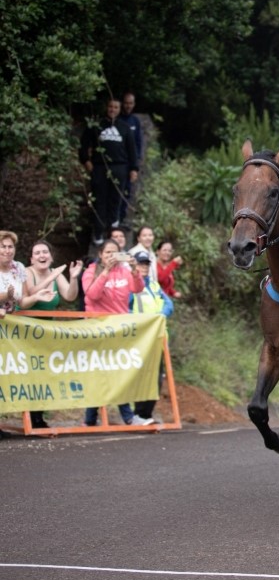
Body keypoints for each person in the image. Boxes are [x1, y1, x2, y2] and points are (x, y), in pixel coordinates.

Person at [81, 240, 152, 426]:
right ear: (100, 254)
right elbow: (92, 295)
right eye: (107, 253)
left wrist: (135, 270)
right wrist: (105, 272)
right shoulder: (91, 271)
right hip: (96, 331)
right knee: (99, 374)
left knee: (118, 373)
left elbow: (138, 289)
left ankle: (121, 417)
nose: (111, 256)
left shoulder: (124, 271)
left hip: (119, 331)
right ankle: (94, 418)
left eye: (115, 252)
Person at [24, 240, 83, 427]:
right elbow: (28, 296)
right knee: (27, 374)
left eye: (45, 252)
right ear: (32, 259)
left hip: (46, 333)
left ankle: (38, 417)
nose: (42, 256)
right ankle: (28, 417)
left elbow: (70, 296)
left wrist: (73, 278)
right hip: (24, 332)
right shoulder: (27, 272)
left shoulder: (56, 273)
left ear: (51, 255)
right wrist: (51, 278)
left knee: (42, 374)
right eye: (38, 253)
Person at [79, 97, 140, 246]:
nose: (113, 110)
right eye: (110, 107)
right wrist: (86, 160)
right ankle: (98, 232)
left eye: (116, 107)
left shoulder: (124, 127)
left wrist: (133, 168)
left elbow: (132, 150)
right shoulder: (96, 125)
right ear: (106, 108)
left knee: (116, 200)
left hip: (120, 168)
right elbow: (83, 145)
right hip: (99, 167)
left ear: (119, 110)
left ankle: (113, 232)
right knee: (100, 200)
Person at [129, 251, 173, 424]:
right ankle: (138, 413)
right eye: (141, 264)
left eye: (146, 264)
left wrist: (159, 315)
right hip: (139, 339)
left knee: (156, 377)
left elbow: (169, 304)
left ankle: (146, 414)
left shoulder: (154, 285)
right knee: (142, 376)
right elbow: (126, 308)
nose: (144, 267)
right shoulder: (131, 286)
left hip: (158, 338)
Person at [0, 231, 53, 319]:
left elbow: (22, 302)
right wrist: (6, 296)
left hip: (10, 326)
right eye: (3, 247)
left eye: (10, 247)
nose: (7, 251)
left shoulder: (19, 267)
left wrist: (36, 297)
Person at [117, 91, 144, 227]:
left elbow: (139, 143)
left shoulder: (135, 121)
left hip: (129, 163)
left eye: (131, 103)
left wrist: (136, 165)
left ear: (134, 104)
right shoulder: (117, 120)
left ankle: (121, 218)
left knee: (127, 191)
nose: (128, 106)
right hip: (117, 162)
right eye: (126, 103)